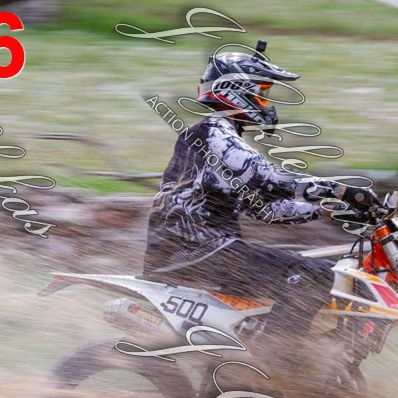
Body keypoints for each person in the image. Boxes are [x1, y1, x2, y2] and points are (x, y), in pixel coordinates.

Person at [142, 42, 372, 345]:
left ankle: (298, 354)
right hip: (196, 253)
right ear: (237, 90)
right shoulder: (214, 133)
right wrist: (341, 190)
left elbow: (265, 208)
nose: (265, 102)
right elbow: (269, 177)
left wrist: (329, 208)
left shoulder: (217, 137)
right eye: (261, 93)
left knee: (323, 272)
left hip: (198, 252)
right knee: (312, 275)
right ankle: (275, 355)